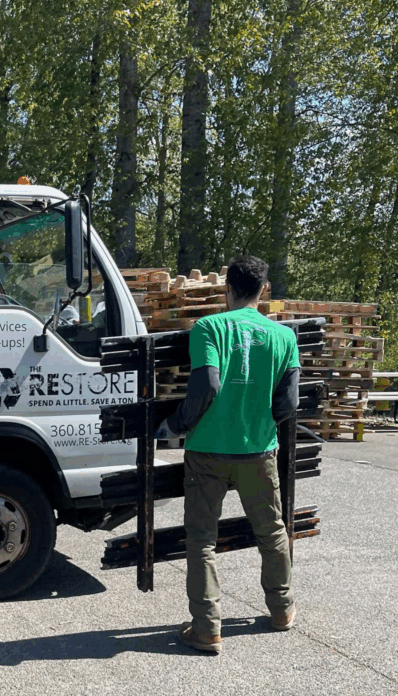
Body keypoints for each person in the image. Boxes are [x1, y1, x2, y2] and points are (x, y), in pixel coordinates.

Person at [156, 255, 300, 655]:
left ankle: (207, 629)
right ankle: (281, 611)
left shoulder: (208, 327)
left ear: (227, 289)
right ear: (263, 290)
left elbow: (207, 386)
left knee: (202, 540)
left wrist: (178, 425)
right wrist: (259, 422)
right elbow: (288, 403)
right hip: (258, 450)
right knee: (271, 532)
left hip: (207, 451)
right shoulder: (284, 337)